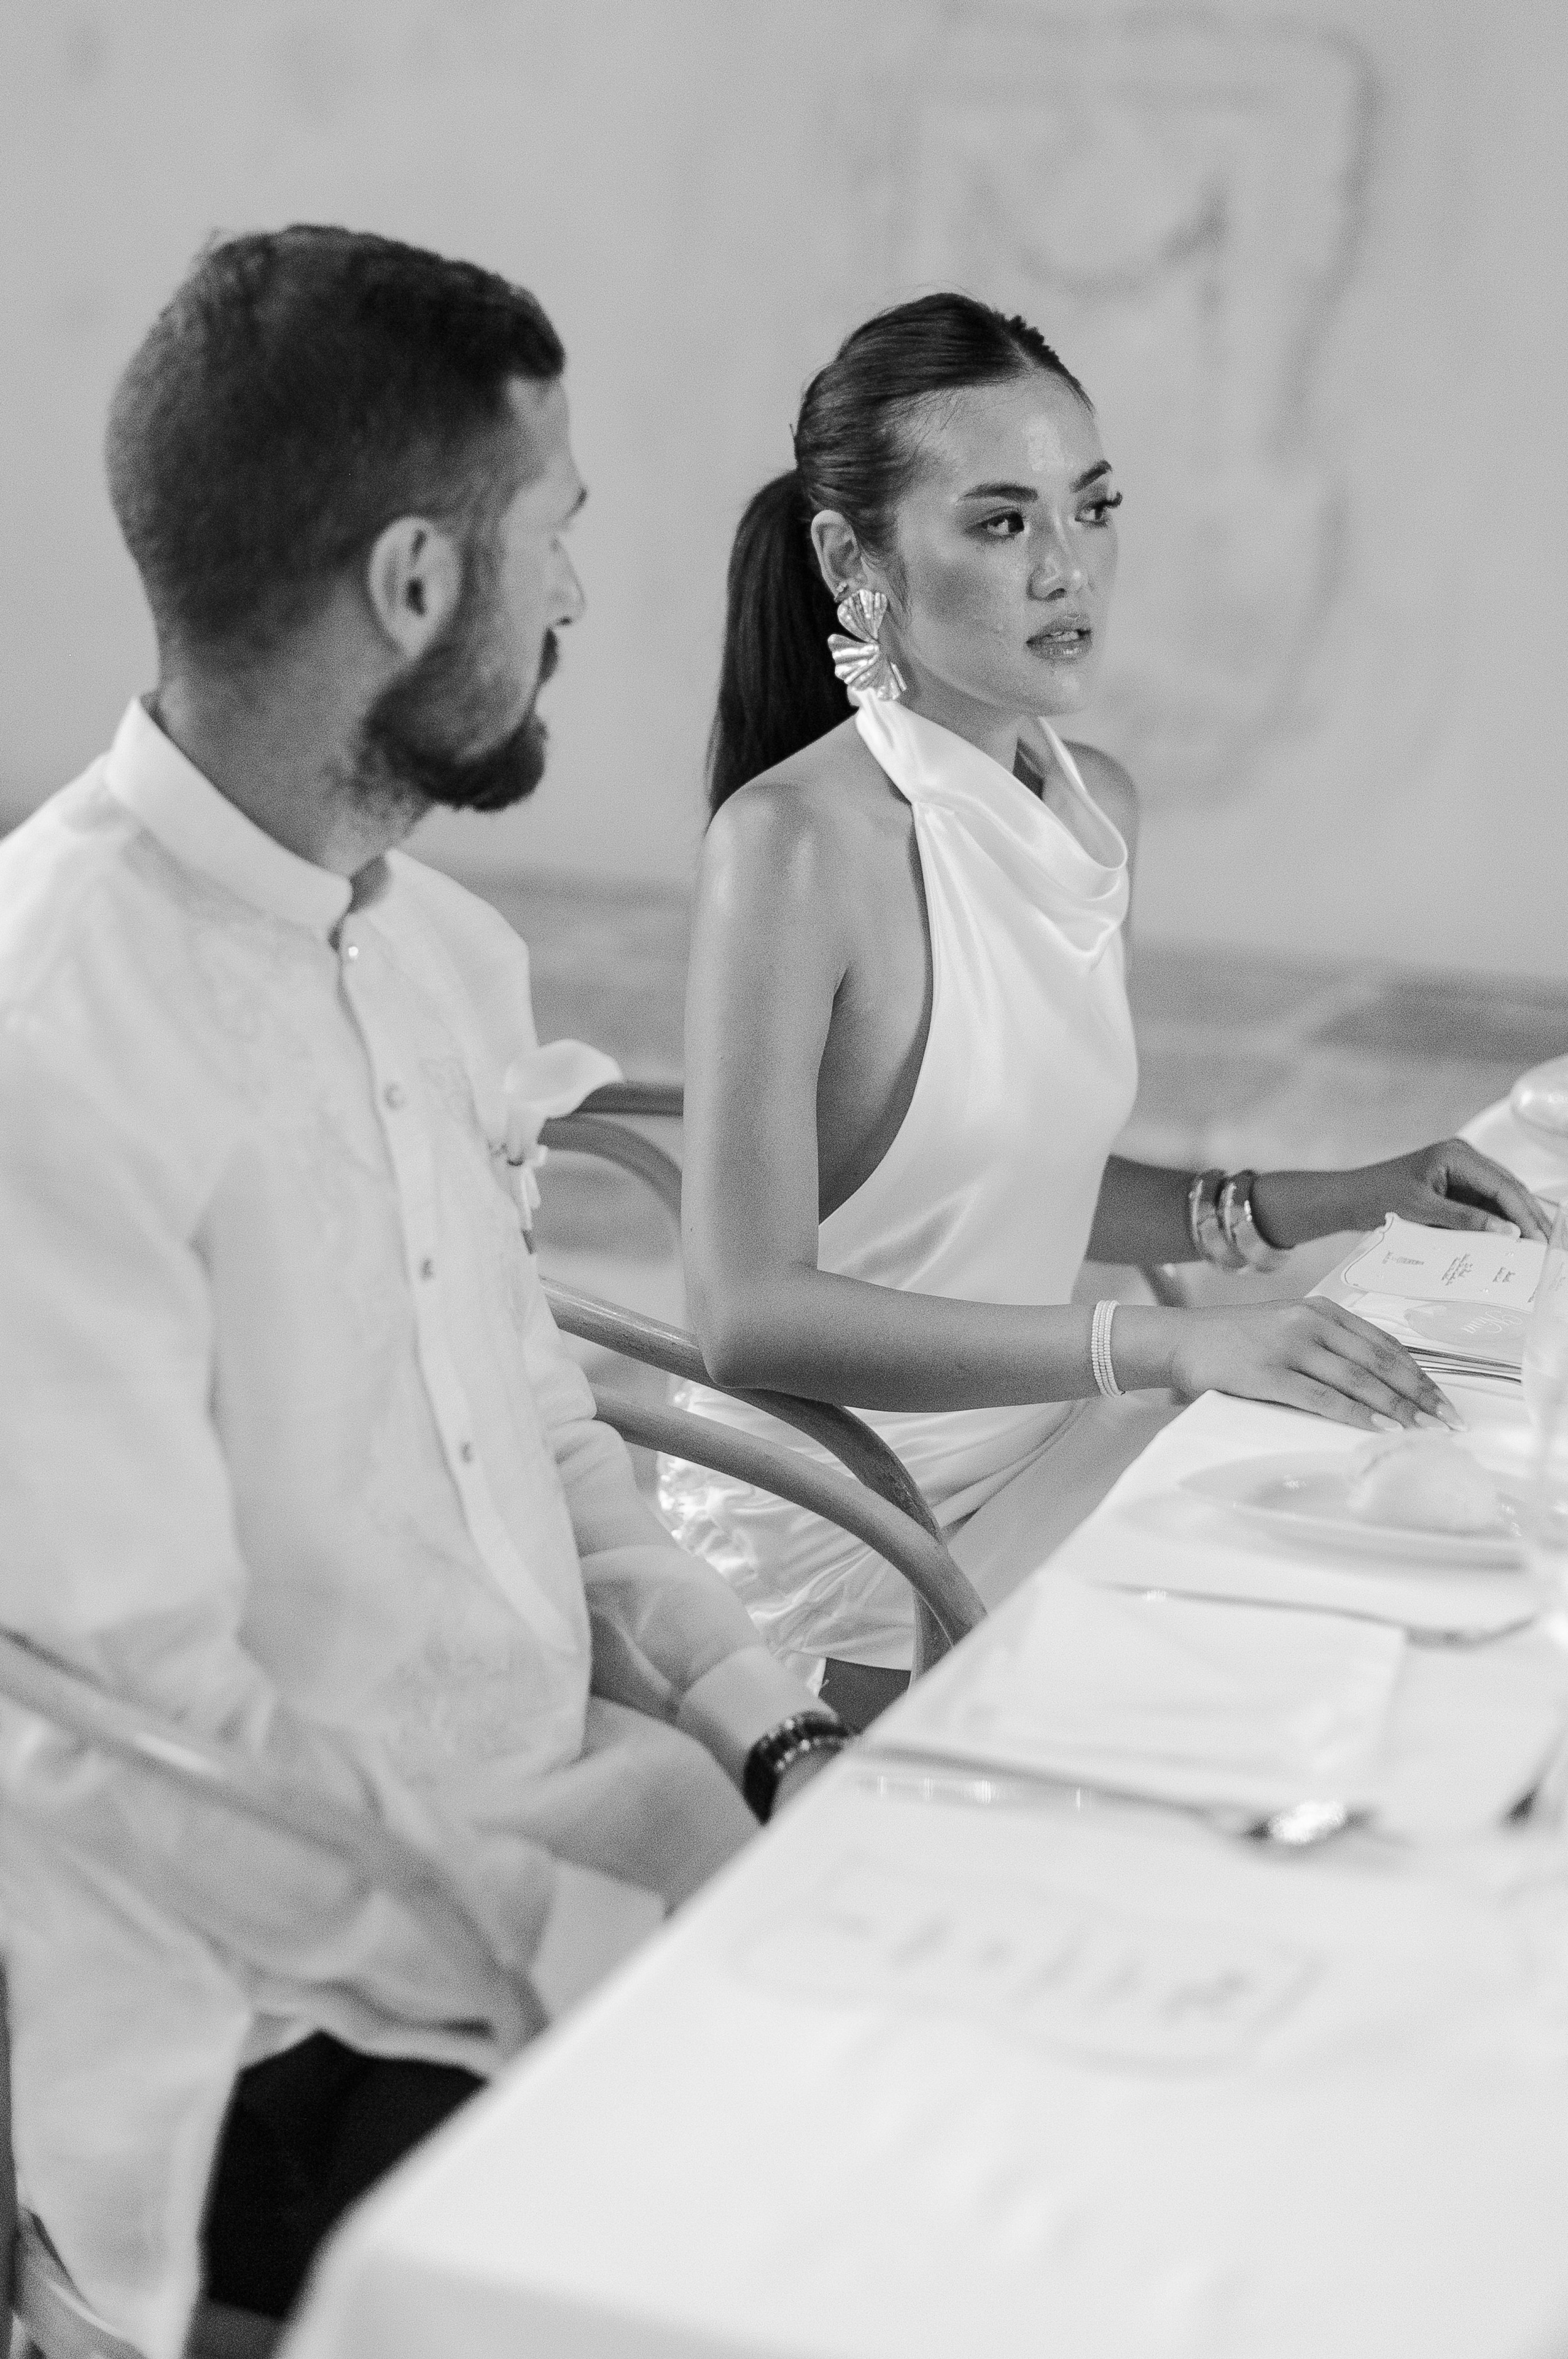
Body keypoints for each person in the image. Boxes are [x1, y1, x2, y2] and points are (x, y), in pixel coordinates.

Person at [0, 228, 843, 2359]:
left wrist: (761, 1723)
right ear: (410, 584)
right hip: (258, 2043)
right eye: (551, 534)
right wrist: (581, 1925)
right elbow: (116, 1750)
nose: (575, 597)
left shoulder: (444, 956)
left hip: (569, 1852)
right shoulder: (48, 1034)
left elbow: (539, 1425)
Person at [661, 291, 1545, 1724]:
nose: (1067, 571)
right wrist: (1158, 1343)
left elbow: (1011, 1187)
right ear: (852, 558)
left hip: (1041, 1432)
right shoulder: (796, 845)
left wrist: (1329, 1197)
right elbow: (742, 1315)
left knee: (1434, 1551)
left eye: (1091, 507)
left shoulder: (1093, 809)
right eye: (1000, 524)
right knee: (1323, 1637)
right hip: (852, 1523)